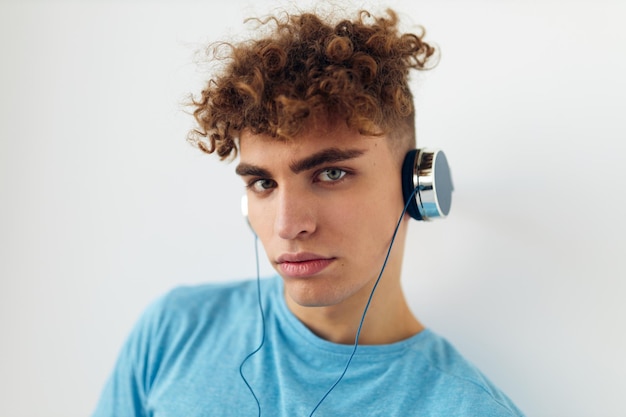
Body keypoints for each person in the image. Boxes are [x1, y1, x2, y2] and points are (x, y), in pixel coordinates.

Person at [92, 6, 524, 417]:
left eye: (331, 174)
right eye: (264, 183)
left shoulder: (468, 409)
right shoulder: (174, 332)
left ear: (416, 187)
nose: (288, 226)